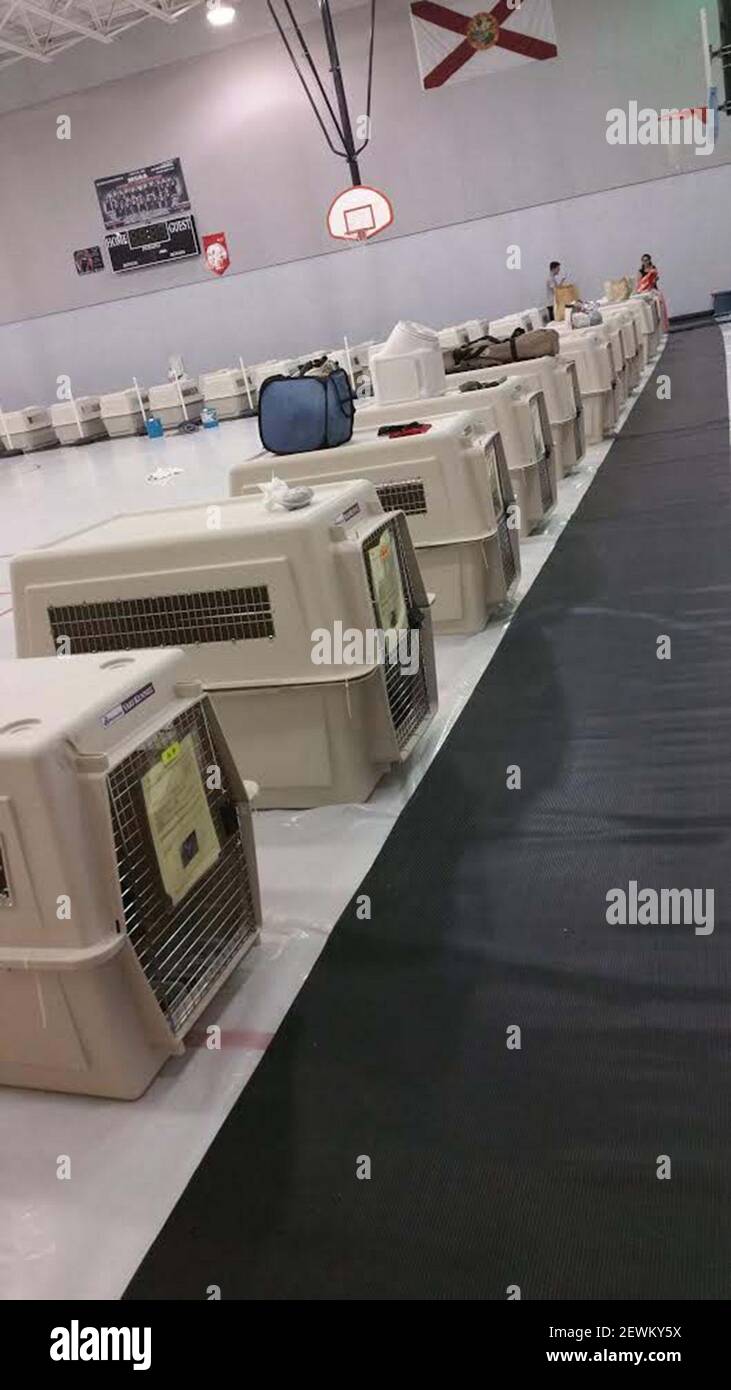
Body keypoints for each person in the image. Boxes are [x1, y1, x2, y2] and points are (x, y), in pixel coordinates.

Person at [636, 252, 669, 330]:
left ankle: (662, 324)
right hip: (645, 291)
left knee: (660, 303)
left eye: (646, 260)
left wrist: (654, 279)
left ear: (649, 260)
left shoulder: (653, 268)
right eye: (643, 260)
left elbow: (655, 277)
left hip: (653, 289)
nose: (645, 262)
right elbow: (639, 282)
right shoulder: (640, 271)